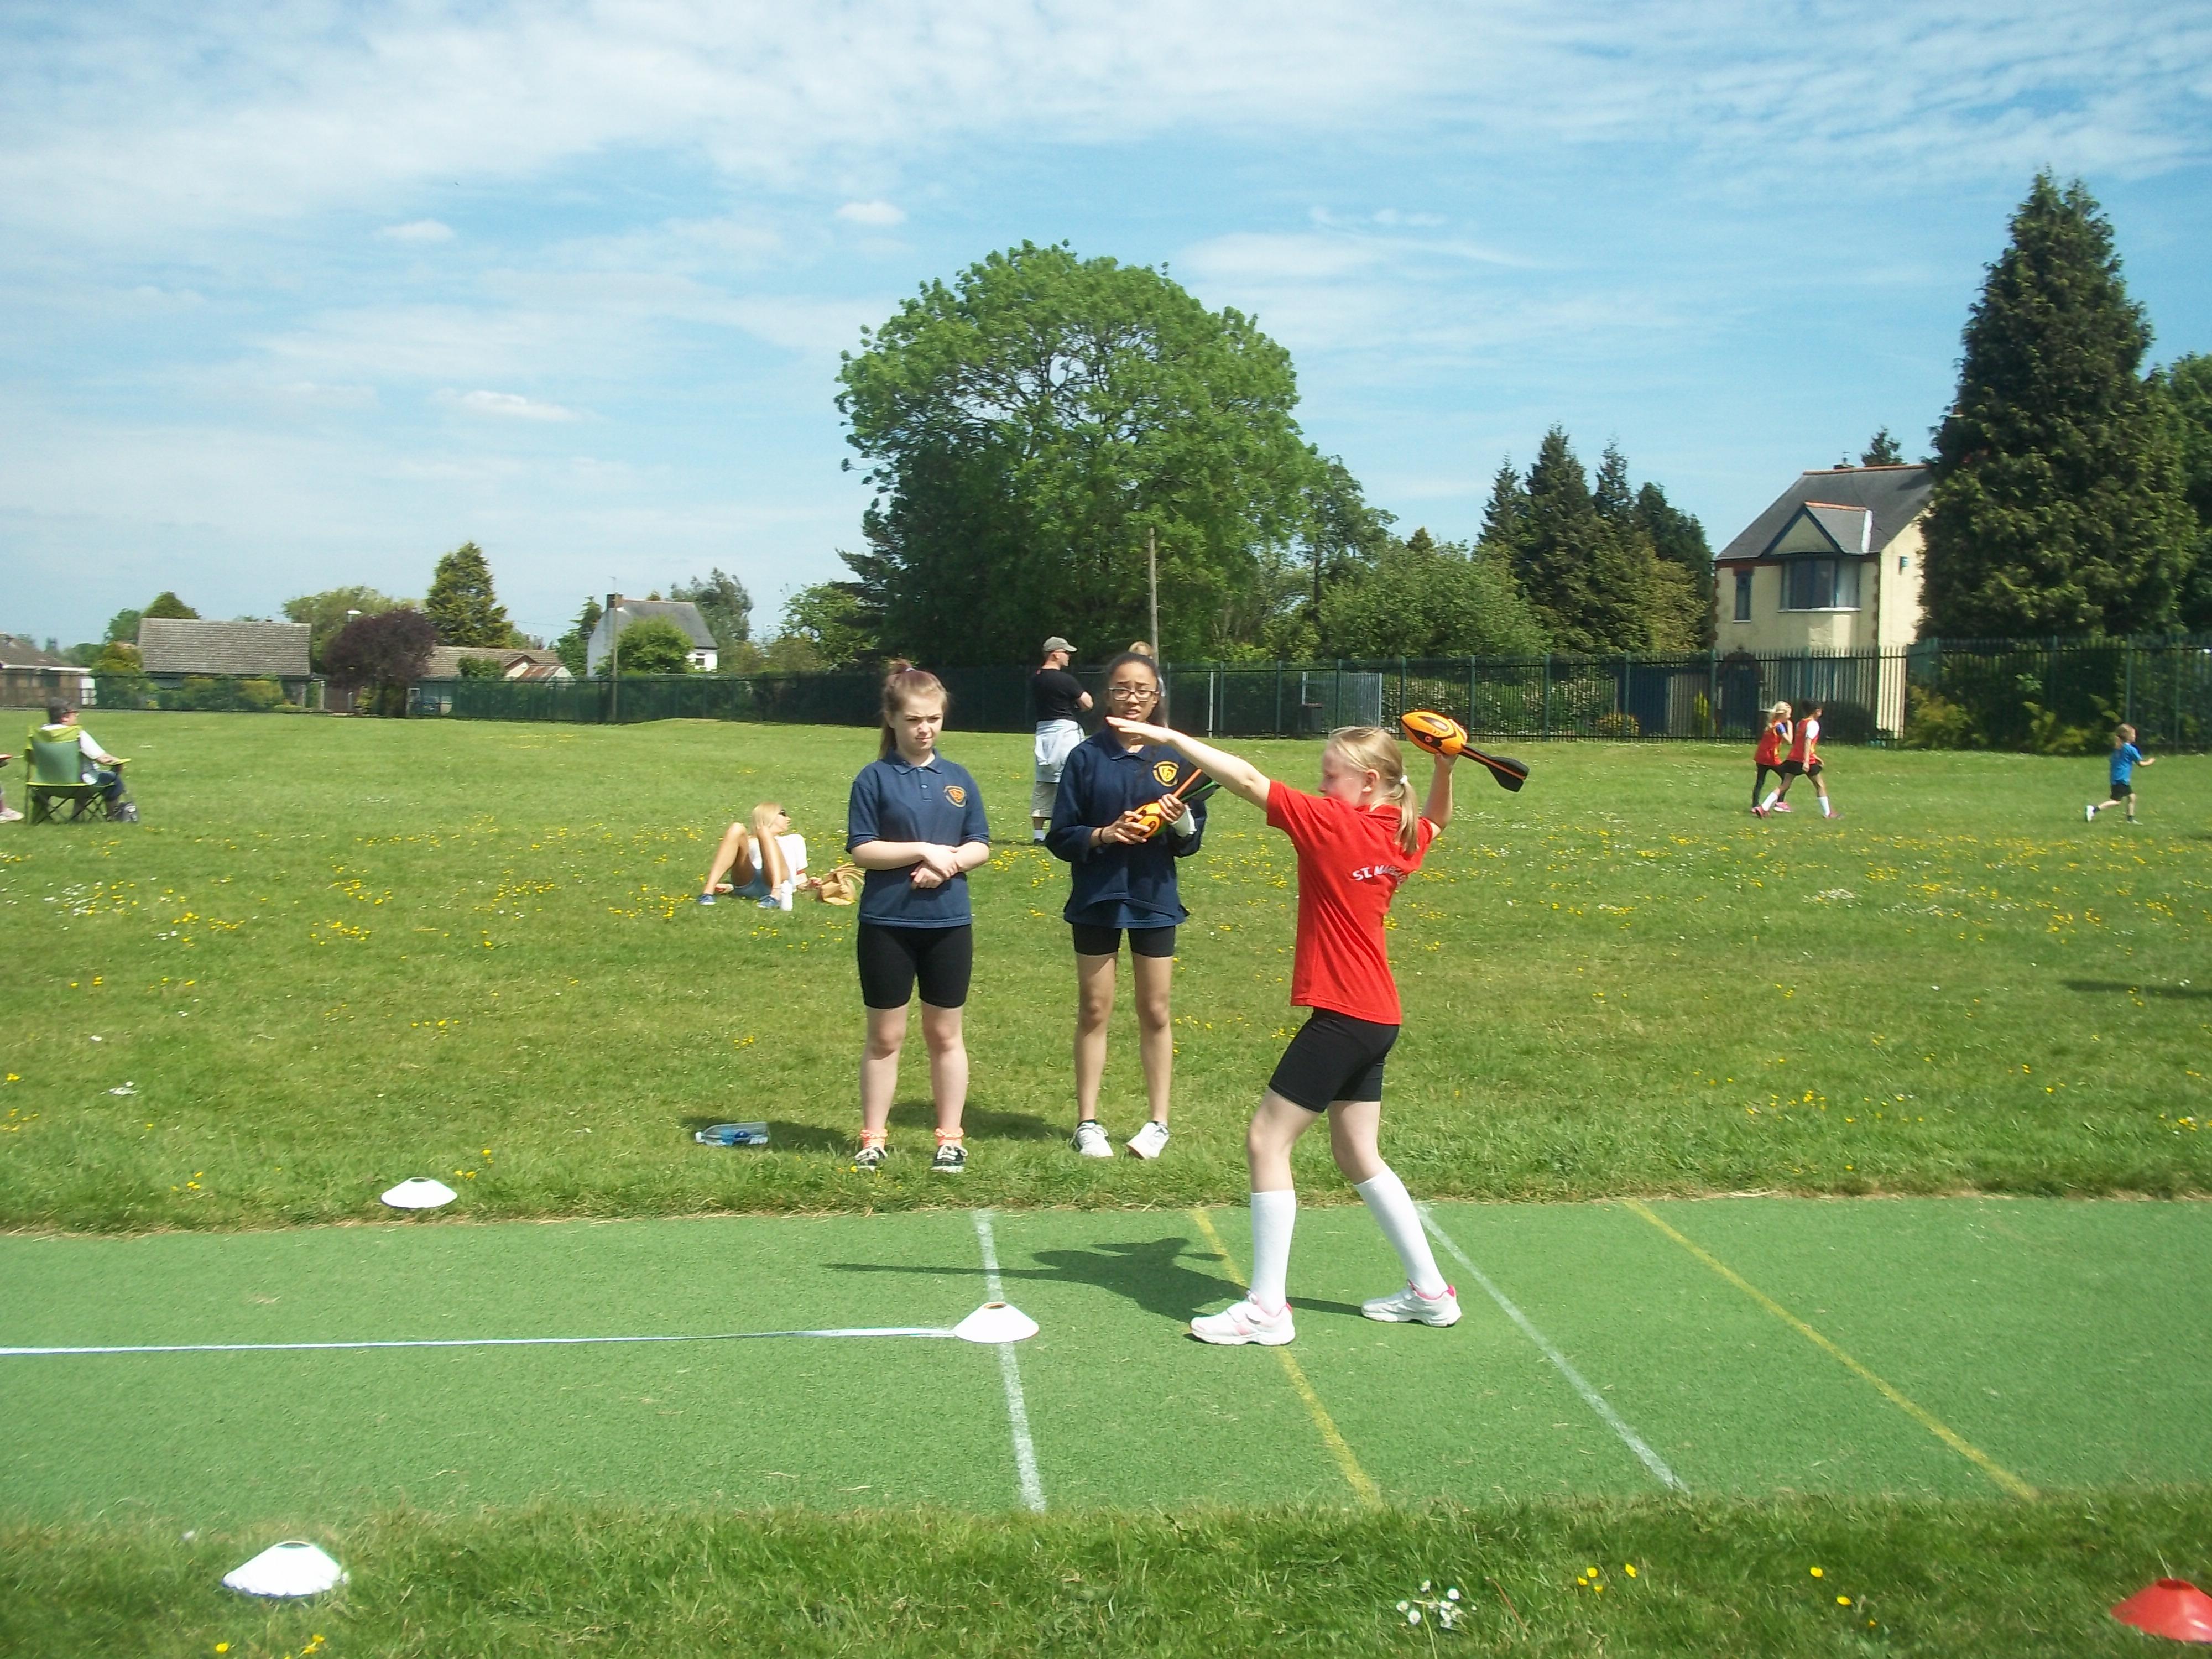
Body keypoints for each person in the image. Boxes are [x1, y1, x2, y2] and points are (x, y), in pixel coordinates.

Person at [1104, 711, 1459, 1345]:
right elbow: (1436, 819)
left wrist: (1171, 739)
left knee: (1266, 1141)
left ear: (1369, 782)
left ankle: (1266, 1309)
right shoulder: (1401, 831)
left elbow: (1245, 779)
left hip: (1344, 1016)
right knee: (1357, 1154)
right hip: (1377, 1016)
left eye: (1331, 775)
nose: (1321, 785)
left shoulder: (1332, 823)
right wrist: (1445, 766)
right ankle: (1430, 1293)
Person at [1048, 650, 1208, 1160]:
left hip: (1153, 896)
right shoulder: (1086, 757)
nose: (1132, 698)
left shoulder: (1176, 757)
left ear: (1157, 696)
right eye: (1122, 689)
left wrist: (1180, 819)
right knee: (1094, 1008)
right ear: (1107, 695)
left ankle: (1158, 1123)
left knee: (1155, 1009)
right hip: (1097, 895)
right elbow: (1061, 835)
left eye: (1142, 690)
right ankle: (1087, 1122)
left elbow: (1191, 841)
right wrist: (1104, 834)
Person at [847, 662, 992, 1173]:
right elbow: (863, 850)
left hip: (949, 924)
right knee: (885, 1038)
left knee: (945, 1035)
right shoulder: (874, 778)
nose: (924, 729)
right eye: (913, 720)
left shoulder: (959, 779)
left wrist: (948, 863)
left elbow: (980, 844)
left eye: (933, 719)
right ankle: (873, 1138)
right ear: (891, 719)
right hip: (887, 924)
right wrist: (924, 850)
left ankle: (950, 1138)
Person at [1031, 636, 1093, 843]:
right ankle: (1072, 825)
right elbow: (1088, 703)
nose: (1068, 656)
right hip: (1065, 733)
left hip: (1043, 733)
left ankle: (1038, 834)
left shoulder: (1036, 678)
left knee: (1044, 780)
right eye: (1066, 652)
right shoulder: (1065, 680)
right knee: (1073, 778)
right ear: (1055, 654)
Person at [698, 803, 806, 910]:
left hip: (776, 882)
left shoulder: (794, 840)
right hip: (749, 881)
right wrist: (730, 887)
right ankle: (708, 892)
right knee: (737, 828)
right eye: (783, 814)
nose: (788, 819)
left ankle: (776, 893)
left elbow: (800, 878)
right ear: (770, 815)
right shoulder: (749, 840)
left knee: (764, 832)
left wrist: (809, 885)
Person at [34, 702, 131, 818]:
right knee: (113, 781)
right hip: (79, 785)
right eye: (74, 713)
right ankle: (112, 816)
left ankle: (40, 816)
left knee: (85, 777)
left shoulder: (39, 734)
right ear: (64, 717)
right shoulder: (76, 734)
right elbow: (102, 759)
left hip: (46, 785)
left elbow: (32, 759)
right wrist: (117, 762)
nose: (77, 715)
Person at [1759, 701, 1834, 819]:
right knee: (1819, 785)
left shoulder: (1801, 723)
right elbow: (1808, 742)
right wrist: (1807, 761)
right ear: (1817, 711)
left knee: (1784, 785)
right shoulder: (1813, 724)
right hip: (1805, 760)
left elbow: (1799, 743)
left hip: (1793, 758)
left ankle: (1764, 807)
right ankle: (1828, 813)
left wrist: (1815, 756)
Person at [2088, 724, 2154, 823]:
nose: (2135, 736)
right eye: (2133, 734)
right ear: (2128, 736)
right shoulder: (2130, 749)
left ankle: (2130, 819)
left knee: (2132, 797)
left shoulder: (2118, 748)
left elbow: (2112, 760)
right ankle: (2093, 810)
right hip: (2121, 779)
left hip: (2116, 778)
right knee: (2116, 801)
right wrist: (2150, 762)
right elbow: (2140, 764)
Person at [1752, 702, 1792, 814]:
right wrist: (1790, 727)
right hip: (1771, 758)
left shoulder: (1771, 724)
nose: (1789, 717)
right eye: (1789, 714)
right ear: (1783, 714)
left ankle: (1755, 806)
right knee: (1786, 779)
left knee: (1760, 782)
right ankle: (1780, 803)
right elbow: (1789, 741)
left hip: (1761, 757)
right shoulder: (1779, 726)